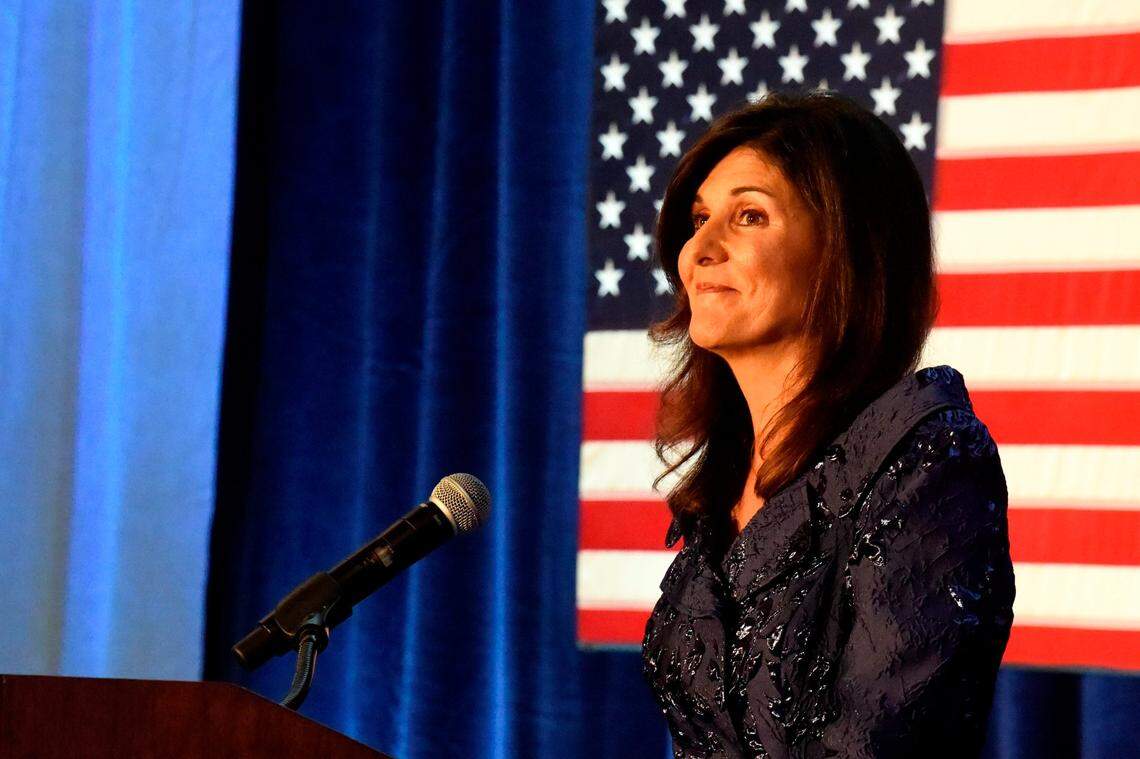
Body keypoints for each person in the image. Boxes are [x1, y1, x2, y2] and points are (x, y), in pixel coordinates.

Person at [640, 91, 1015, 758]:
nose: (700, 247)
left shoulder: (925, 458)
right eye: (699, 219)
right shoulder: (716, 498)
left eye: (748, 215)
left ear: (845, 248)